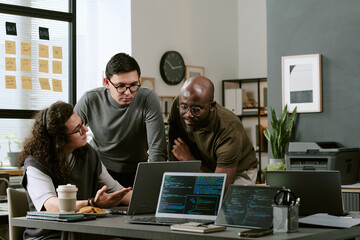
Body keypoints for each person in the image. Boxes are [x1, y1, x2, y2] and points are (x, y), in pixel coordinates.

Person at [19, 101, 132, 239]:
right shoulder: (35, 163)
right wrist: (92, 204)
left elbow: (116, 190)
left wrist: (155, 202)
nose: (86, 130)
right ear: (60, 140)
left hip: (83, 233)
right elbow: (52, 206)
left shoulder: (87, 153)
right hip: (50, 235)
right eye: (78, 129)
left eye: (82, 123)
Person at [74, 53, 167, 187]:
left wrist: (155, 186)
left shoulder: (148, 98)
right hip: (100, 169)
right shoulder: (90, 99)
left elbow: (157, 150)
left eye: (134, 85)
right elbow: (69, 134)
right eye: (121, 86)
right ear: (106, 82)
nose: (128, 92)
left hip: (137, 170)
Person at [168, 76, 258, 190]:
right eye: (184, 107)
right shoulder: (179, 105)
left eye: (196, 109)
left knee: (220, 204)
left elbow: (217, 189)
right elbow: (173, 156)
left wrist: (189, 160)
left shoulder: (229, 130)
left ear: (212, 106)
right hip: (202, 165)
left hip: (238, 172)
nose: (188, 114)